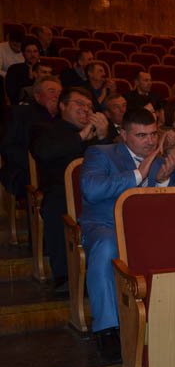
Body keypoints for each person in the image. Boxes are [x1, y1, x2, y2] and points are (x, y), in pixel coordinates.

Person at [79, 108, 175, 361]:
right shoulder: (100, 153)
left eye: (153, 134)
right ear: (123, 134)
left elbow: (170, 209)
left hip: (147, 229)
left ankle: (173, 323)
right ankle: (107, 328)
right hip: (106, 225)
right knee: (106, 245)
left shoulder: (161, 162)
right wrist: (138, 175)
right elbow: (92, 189)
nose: (150, 141)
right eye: (141, 135)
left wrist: (163, 182)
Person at [30, 87, 112, 294]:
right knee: (57, 205)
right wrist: (81, 136)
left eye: (89, 106)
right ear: (62, 106)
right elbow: (43, 152)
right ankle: (65, 275)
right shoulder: (45, 128)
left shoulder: (97, 134)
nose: (86, 109)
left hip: (96, 193)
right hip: (60, 192)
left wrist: (103, 138)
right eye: (79, 104)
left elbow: (113, 168)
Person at [5, 37, 40, 105]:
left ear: (38, 53)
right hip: (21, 104)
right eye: (29, 51)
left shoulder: (44, 69)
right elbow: (12, 93)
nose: (32, 55)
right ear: (23, 54)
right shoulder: (14, 69)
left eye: (35, 51)